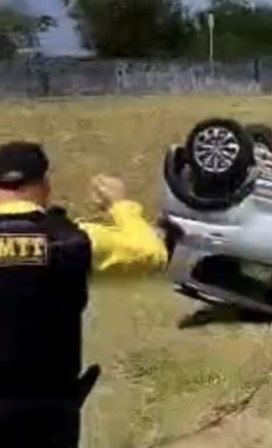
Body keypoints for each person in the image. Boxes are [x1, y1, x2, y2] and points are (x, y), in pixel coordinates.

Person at [0, 141, 168, 447]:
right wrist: (119, 205)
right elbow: (151, 253)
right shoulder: (74, 239)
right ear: (45, 184)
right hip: (50, 413)